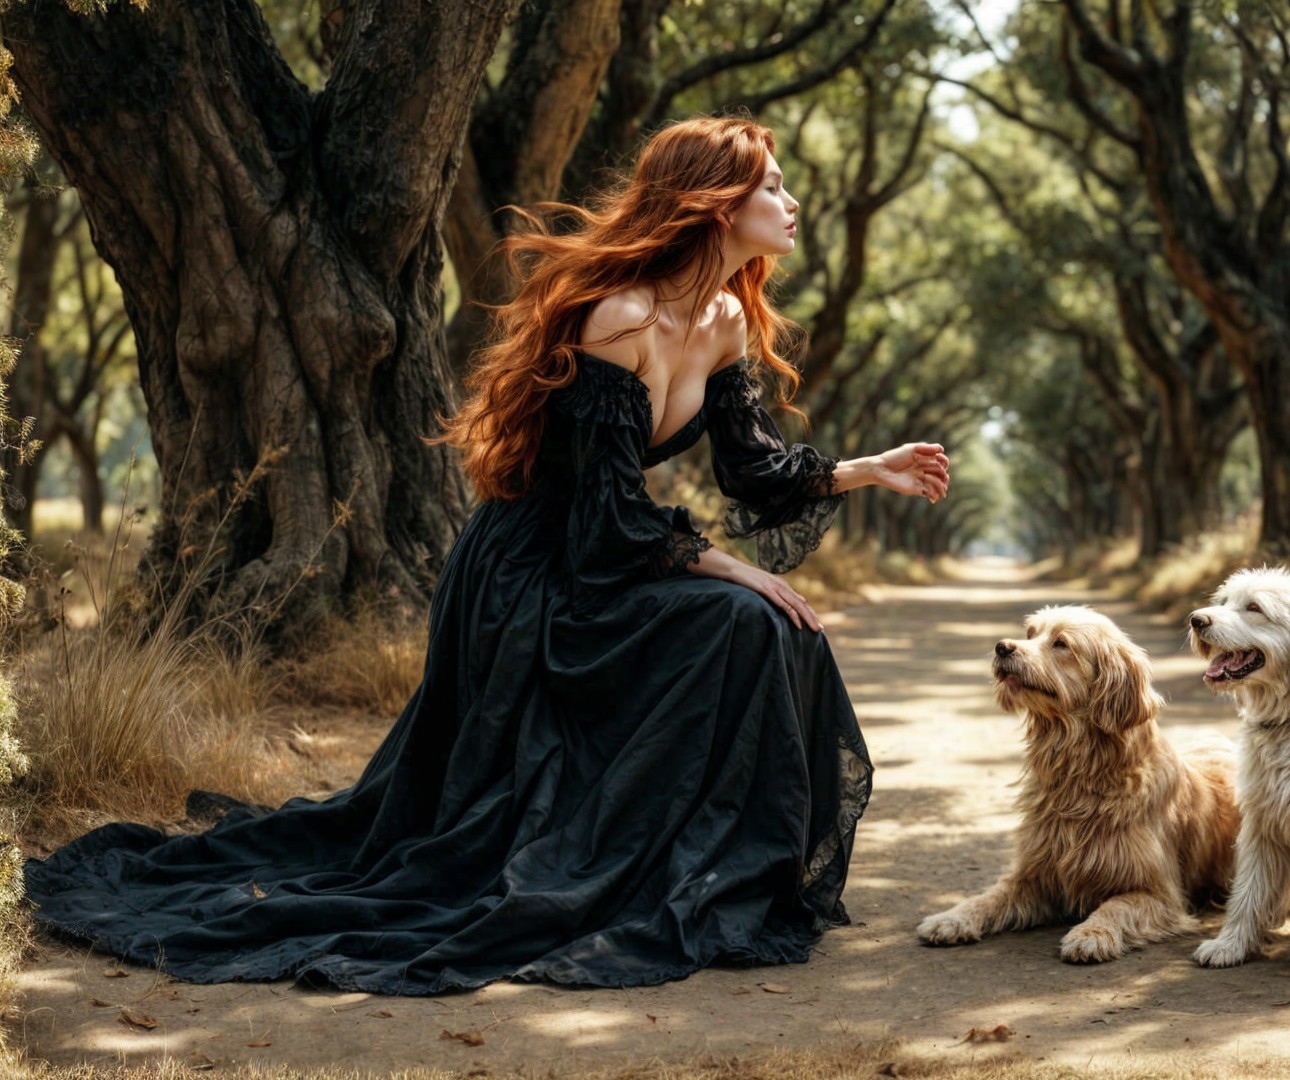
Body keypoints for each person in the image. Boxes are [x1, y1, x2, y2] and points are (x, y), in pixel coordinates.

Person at [25, 115, 949, 995]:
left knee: (781, 629)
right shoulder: (619, 321)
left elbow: (752, 471)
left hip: (609, 561)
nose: (792, 204)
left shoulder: (722, 321)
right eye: (773, 187)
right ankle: (634, 860)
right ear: (716, 204)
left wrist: (870, 470)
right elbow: (609, 527)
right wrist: (742, 569)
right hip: (529, 582)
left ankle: (725, 873)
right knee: (748, 615)